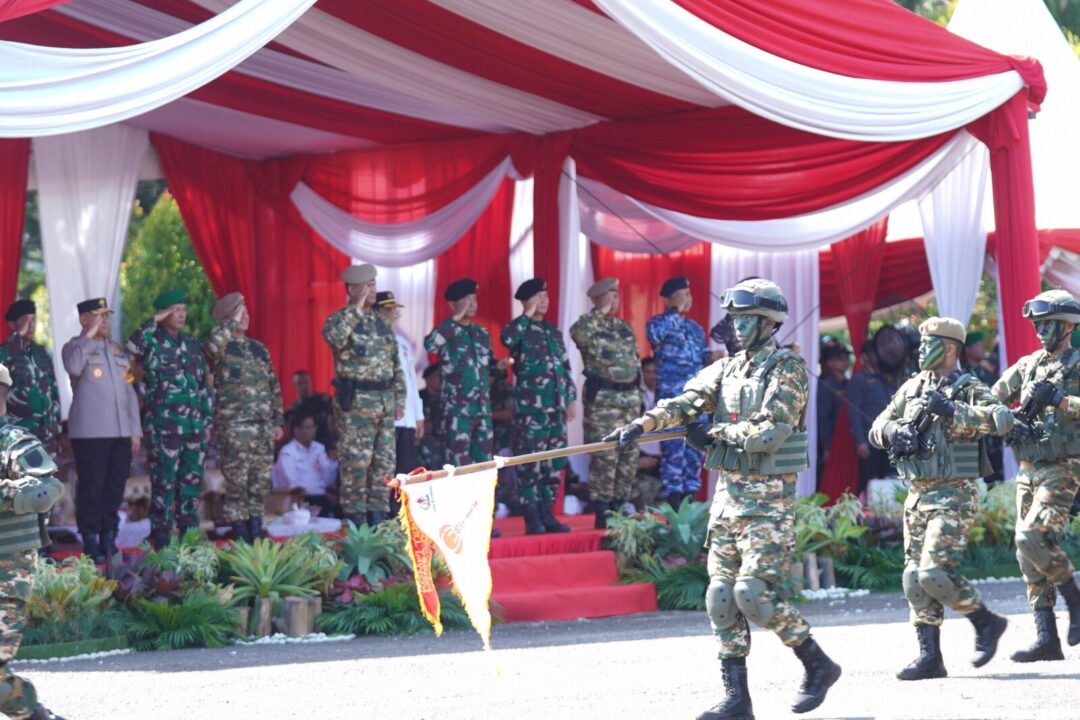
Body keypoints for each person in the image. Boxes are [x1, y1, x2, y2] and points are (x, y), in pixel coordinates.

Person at [608, 278, 840, 719]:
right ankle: (737, 699)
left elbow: (770, 432)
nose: (735, 326)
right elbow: (686, 401)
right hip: (728, 500)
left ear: (768, 322)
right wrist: (643, 425)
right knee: (720, 597)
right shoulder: (728, 368)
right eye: (733, 318)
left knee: (753, 593)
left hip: (767, 503)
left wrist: (711, 433)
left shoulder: (786, 369)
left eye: (745, 318)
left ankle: (818, 664)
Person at [869, 317, 1012, 680]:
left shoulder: (968, 386)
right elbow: (876, 427)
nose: (919, 351)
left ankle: (985, 622)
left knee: (933, 572)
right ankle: (930, 657)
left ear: (949, 347)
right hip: (918, 495)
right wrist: (893, 431)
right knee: (913, 578)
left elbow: (1001, 419)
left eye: (926, 343)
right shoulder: (912, 387)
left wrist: (952, 410)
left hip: (954, 493)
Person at [992, 289, 1080, 662]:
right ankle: (1046, 638)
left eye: (1048, 324)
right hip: (1028, 468)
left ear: (1067, 326)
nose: (1041, 331)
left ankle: (1076, 602)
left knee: (1034, 536)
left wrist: (1060, 400)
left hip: (1064, 466)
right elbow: (990, 396)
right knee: (1026, 553)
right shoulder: (1028, 366)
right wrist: (1008, 420)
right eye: (1038, 325)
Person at [0, 363, 67, 720]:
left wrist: (7, 493)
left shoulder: (15, 442)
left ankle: (34, 713)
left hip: (7, 573)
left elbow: (47, 490)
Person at [126, 290, 211, 549]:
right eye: (176, 310)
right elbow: (132, 346)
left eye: (184, 309)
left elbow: (202, 385)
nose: (182, 314)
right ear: (163, 314)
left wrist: (206, 421)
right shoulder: (151, 342)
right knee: (163, 485)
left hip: (194, 427)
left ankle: (190, 537)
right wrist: (154, 320)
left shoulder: (192, 343)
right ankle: (161, 539)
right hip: (165, 427)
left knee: (191, 484)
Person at [322, 264, 405, 527]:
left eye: (374, 284)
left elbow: (395, 363)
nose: (373, 290)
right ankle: (357, 525)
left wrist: (399, 399)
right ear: (353, 289)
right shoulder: (341, 319)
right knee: (357, 466)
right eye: (368, 286)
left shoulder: (380, 321)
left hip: (384, 402)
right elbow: (334, 338)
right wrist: (355, 308)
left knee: (383, 466)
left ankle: (379, 521)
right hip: (357, 404)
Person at [61, 297, 142, 562]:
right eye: (98, 316)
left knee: (114, 486)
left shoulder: (117, 351)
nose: (105, 320)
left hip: (120, 432)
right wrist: (90, 335)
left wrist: (135, 430)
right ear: (85, 319)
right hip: (91, 433)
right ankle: (91, 538)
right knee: (92, 488)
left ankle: (109, 535)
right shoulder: (74, 347)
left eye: (107, 316)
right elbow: (73, 367)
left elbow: (129, 391)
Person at [204, 292, 285, 543]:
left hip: (262, 426)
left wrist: (278, 420)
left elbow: (273, 385)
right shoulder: (221, 346)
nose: (245, 317)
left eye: (246, 312)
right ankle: (240, 534)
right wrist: (230, 324)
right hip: (234, 426)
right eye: (240, 313)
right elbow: (211, 347)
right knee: (237, 483)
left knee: (259, 483)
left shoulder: (258, 348)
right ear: (227, 319)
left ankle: (255, 531)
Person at [501, 278, 576, 534]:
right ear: (526, 301)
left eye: (546, 296)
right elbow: (507, 340)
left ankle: (548, 514)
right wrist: (527, 314)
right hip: (531, 410)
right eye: (539, 297)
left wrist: (571, 398)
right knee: (530, 464)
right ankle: (532, 518)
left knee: (553, 464)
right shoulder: (518, 328)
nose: (544, 301)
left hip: (556, 408)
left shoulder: (552, 331)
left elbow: (565, 368)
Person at [570, 277, 642, 528]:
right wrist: (599, 311)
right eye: (609, 296)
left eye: (616, 296)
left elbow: (636, 362)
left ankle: (620, 506)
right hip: (604, 403)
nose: (614, 301)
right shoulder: (587, 325)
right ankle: (602, 509)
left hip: (629, 400)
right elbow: (577, 335)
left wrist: (640, 397)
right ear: (597, 299)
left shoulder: (623, 327)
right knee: (605, 456)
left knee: (628, 455)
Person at [424, 279, 504, 469]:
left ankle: (481, 500)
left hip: (482, 410)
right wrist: (455, 318)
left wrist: (497, 366)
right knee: (457, 465)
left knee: (484, 466)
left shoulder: (481, 333)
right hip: (457, 412)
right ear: (452, 304)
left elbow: (485, 365)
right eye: (467, 300)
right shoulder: (447, 332)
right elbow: (430, 345)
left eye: (474, 300)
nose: (472, 304)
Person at [645, 276, 710, 507]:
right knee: (674, 451)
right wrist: (674, 312)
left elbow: (705, 359)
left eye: (689, 295)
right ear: (669, 299)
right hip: (672, 400)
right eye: (682, 295)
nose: (687, 299)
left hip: (697, 401)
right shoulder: (658, 322)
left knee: (694, 452)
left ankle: (690, 500)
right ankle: (673, 502)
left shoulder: (695, 328)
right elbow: (654, 337)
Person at [374, 292, 424, 480]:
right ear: (376, 312)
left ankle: (399, 509)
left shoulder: (402, 343)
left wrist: (418, 416)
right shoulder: (375, 342)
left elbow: (411, 382)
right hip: (387, 416)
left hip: (407, 417)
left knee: (404, 471)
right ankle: (384, 509)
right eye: (388, 309)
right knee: (384, 471)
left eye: (394, 308)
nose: (393, 312)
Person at [0, 299, 60, 453]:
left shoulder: (41, 353)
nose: (31, 324)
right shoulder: (6, 352)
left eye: (33, 319)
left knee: (47, 475)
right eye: (26, 320)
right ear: (13, 324)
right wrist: (17, 336)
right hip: (20, 434)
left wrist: (58, 428)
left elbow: (53, 390)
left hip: (47, 433)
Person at [847, 339, 900, 496]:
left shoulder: (887, 378)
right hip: (870, 440)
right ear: (865, 356)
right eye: (874, 353)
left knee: (889, 479)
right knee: (868, 480)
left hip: (889, 438)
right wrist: (860, 442)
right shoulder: (859, 380)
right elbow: (854, 413)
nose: (879, 356)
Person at [272, 411, 339, 516]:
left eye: (313, 427)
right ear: (297, 430)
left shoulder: (318, 447)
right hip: (299, 497)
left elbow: (328, 480)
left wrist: (332, 461)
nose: (312, 431)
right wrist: (324, 493)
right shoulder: (288, 452)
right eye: (308, 427)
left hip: (324, 493)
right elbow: (294, 484)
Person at [961, 332, 1003, 484]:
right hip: (977, 439)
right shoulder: (963, 375)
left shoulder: (986, 372)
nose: (982, 348)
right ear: (968, 350)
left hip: (994, 437)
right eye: (977, 345)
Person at [816, 343, 850, 481]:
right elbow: (824, 417)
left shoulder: (849, 383)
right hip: (832, 440)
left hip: (847, 440)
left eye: (846, 358)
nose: (845, 362)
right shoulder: (826, 385)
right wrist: (827, 446)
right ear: (830, 362)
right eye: (840, 359)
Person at [632, 357, 663, 511]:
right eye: (648, 372)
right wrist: (637, 462)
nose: (653, 376)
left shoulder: (668, 394)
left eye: (656, 372)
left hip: (662, 460)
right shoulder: (636, 397)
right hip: (640, 457)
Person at [287, 370, 335, 450]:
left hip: (328, 444)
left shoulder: (325, 400)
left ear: (311, 382)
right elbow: (291, 435)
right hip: (307, 448)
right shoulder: (293, 409)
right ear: (295, 386)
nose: (304, 386)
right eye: (300, 383)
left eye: (306, 382)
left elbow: (334, 424)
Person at [417, 364, 445, 470]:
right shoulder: (419, 397)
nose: (441, 379)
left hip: (443, 440)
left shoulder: (447, 398)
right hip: (422, 442)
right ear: (428, 379)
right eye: (438, 376)